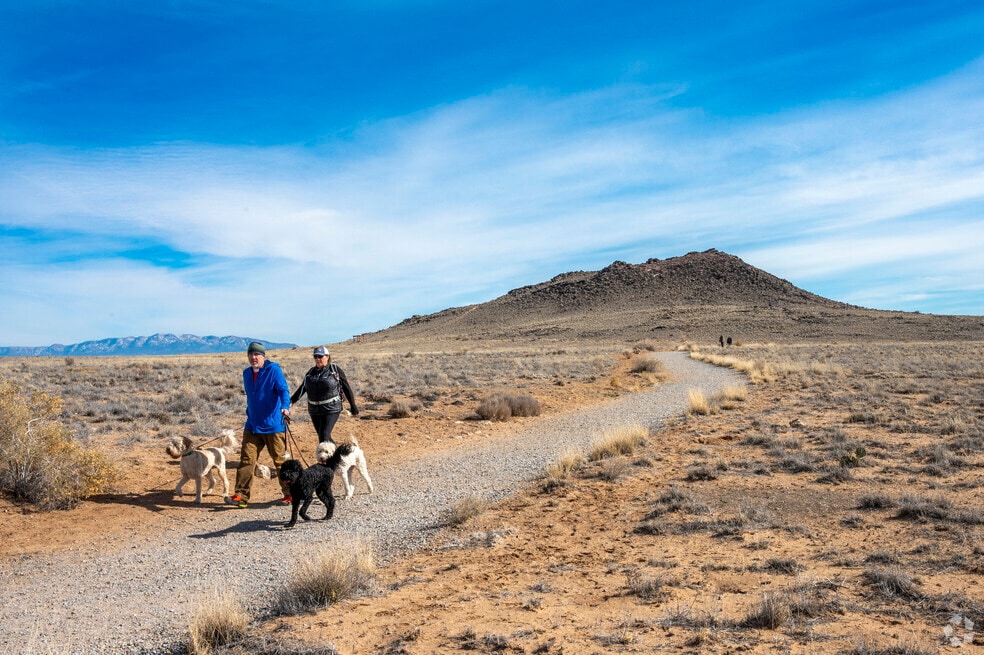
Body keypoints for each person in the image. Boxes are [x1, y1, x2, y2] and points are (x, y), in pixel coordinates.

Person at [225, 341, 292, 508]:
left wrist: (285, 407)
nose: (254, 357)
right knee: (246, 460)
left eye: (257, 354)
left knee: (280, 462)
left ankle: (291, 494)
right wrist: (250, 414)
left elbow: (283, 390)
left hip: (273, 425)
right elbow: (252, 397)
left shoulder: (273, 370)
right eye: (251, 354)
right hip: (253, 425)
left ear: (263, 356)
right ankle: (241, 496)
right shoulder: (246, 373)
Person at [290, 345, 359, 445]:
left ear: (327, 356)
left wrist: (353, 406)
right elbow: (302, 389)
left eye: (320, 356)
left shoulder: (334, 369)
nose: (318, 359)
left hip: (332, 408)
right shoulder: (310, 373)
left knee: (324, 434)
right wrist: (291, 401)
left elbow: (346, 388)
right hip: (314, 410)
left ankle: (329, 460)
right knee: (322, 437)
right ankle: (335, 457)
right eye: (315, 357)